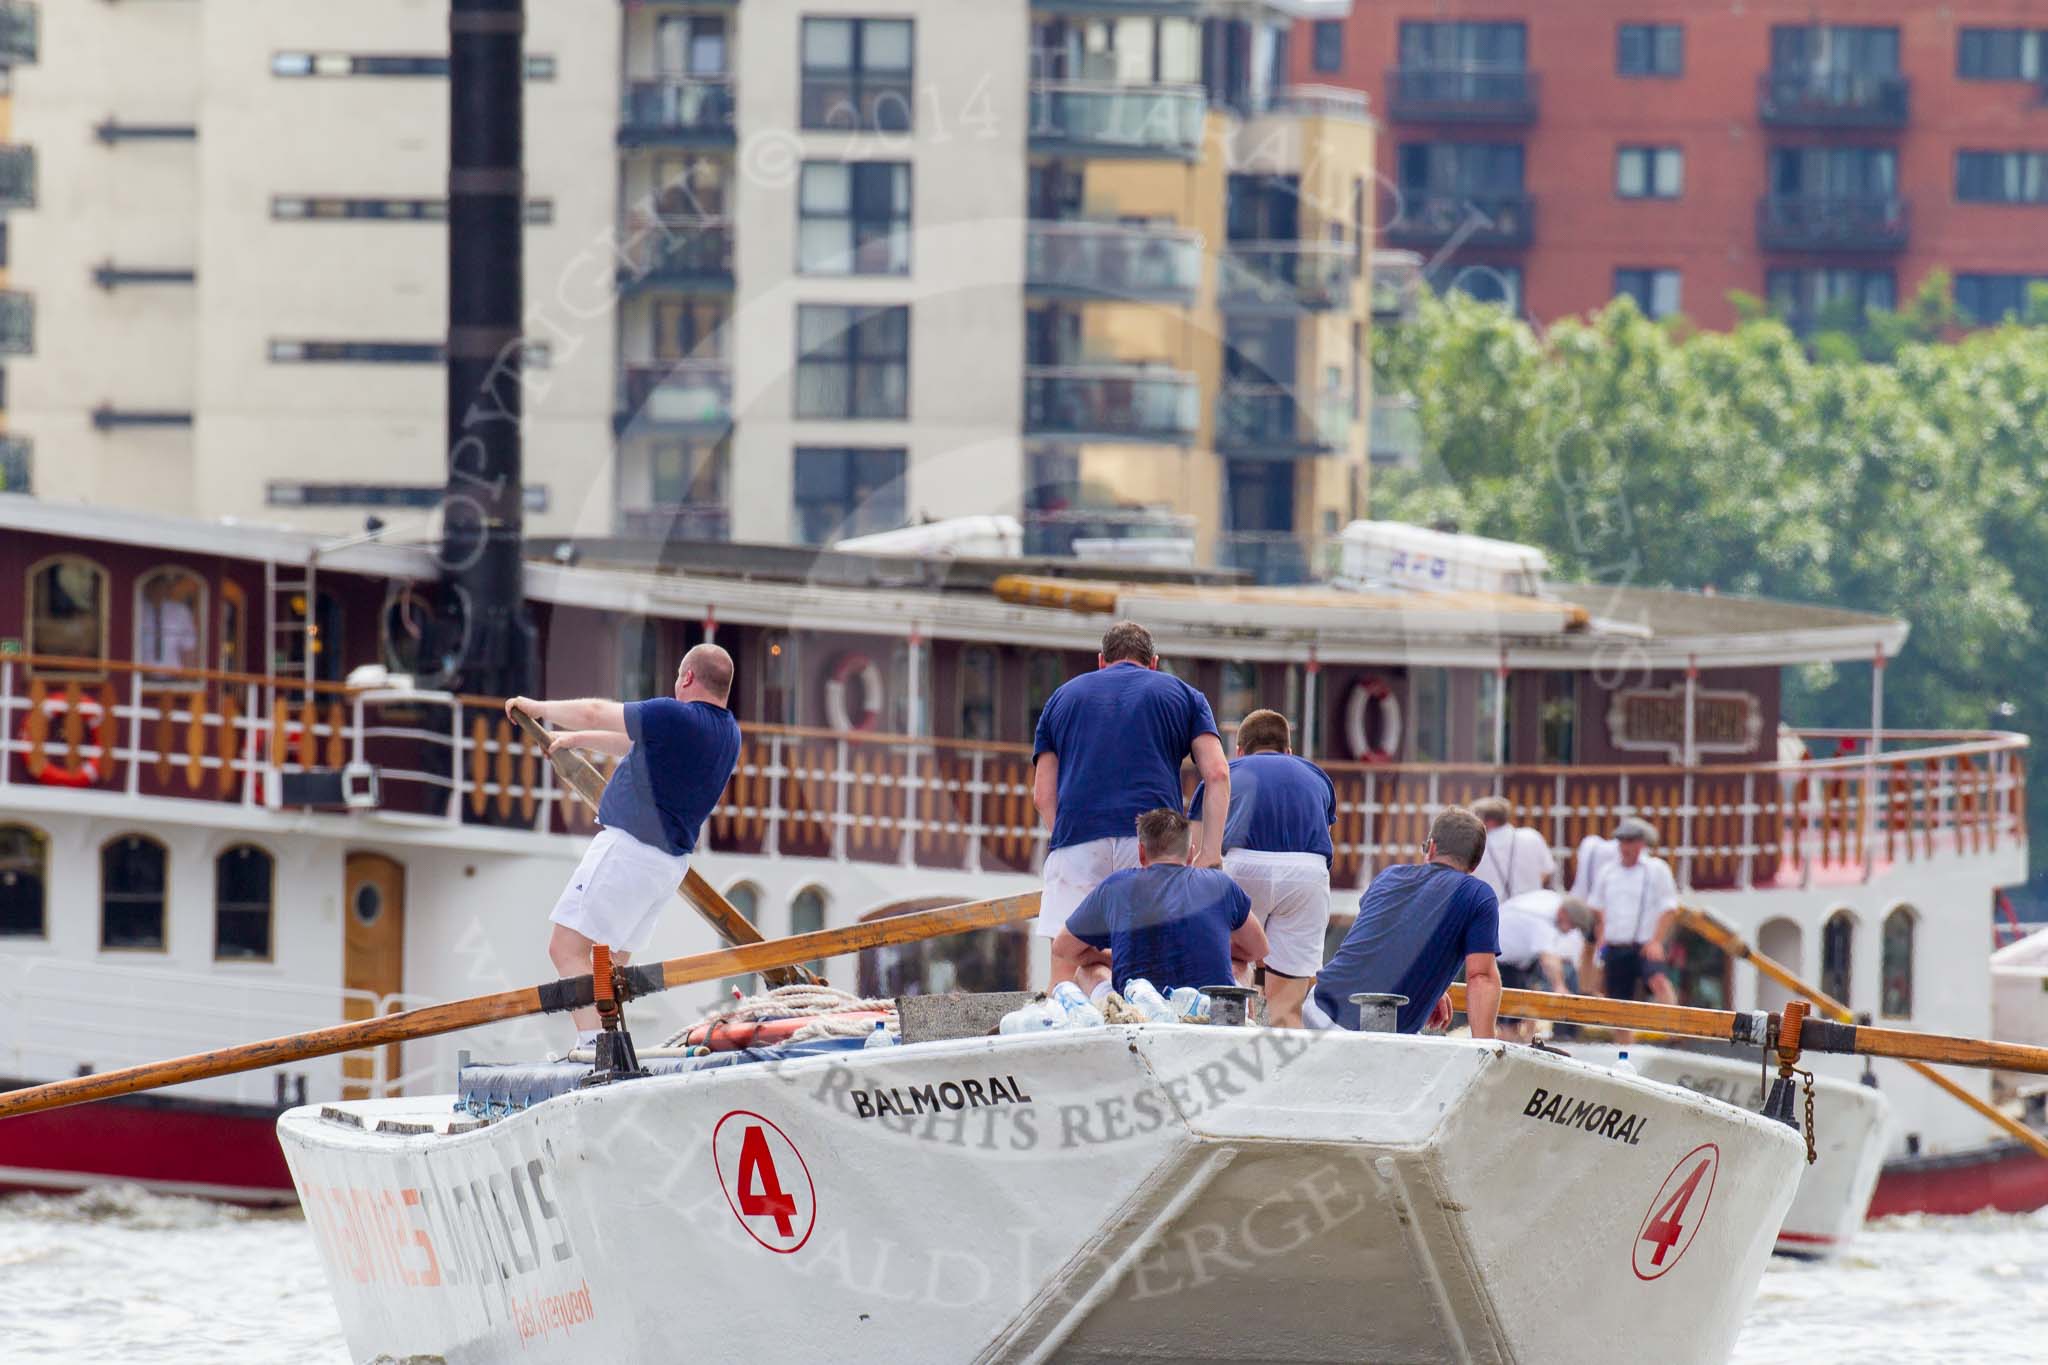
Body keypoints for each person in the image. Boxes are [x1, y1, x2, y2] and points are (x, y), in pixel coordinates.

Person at [507, 643, 741, 1046]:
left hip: (628, 851)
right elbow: (636, 744)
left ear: (686, 677)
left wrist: (537, 707)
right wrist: (578, 739)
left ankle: (595, 1050)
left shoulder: (675, 714)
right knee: (608, 966)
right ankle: (610, 1050)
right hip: (666, 868)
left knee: (567, 949)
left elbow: (597, 710)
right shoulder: (727, 733)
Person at [1031, 620, 1229, 947]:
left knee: (1069, 959)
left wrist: (1069, 837)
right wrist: (1210, 852)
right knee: (1146, 959)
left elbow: (1042, 795)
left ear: (1101, 661)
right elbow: (1218, 774)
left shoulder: (1061, 698)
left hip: (1079, 838)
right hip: (1154, 844)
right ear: (1154, 663)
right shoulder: (1186, 696)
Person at [1187, 708, 1334, 1027]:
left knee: (1235, 967)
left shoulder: (1229, 770)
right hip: (1307, 872)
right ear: (1289, 751)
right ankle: (1282, 1062)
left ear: (1239, 751)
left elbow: (1197, 852)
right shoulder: (1316, 776)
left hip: (1243, 864)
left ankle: (1237, 1022)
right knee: (1286, 1005)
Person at [1309, 808, 1502, 1039]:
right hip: (1374, 1036)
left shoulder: (1388, 876)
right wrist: (1486, 1051)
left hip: (1318, 1011)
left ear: (1430, 848)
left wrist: (1433, 987)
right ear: (1474, 865)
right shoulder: (1477, 895)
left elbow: (1381, 940)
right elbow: (1480, 977)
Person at [1050, 808, 1268, 999]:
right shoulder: (1221, 884)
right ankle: (1236, 1006)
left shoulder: (1115, 887)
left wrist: (1106, 956)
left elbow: (1062, 947)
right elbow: (1259, 949)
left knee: (1086, 971)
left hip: (1139, 1009)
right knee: (1242, 967)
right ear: (1190, 854)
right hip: (1208, 1009)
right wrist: (1212, 947)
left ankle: (1113, 1008)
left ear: (1141, 852)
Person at [1590, 816, 1680, 1043]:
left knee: (1658, 980)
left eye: (1630, 842)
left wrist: (1656, 940)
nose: (1625, 847)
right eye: (1622, 842)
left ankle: (1675, 1032)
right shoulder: (1608, 871)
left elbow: (1669, 908)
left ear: (1641, 844)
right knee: (1617, 1000)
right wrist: (1601, 938)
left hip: (1644, 942)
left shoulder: (1656, 869)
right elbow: (1599, 908)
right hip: (1615, 942)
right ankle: (1625, 1045)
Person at [1494, 890, 1599, 1042]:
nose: (1571, 930)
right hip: (1503, 961)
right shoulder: (1541, 920)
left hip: (1518, 959)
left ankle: (1527, 1037)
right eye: (1572, 925)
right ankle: (1508, 1042)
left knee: (1526, 1002)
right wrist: (1559, 987)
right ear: (1563, 914)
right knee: (1509, 1019)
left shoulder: (1552, 901)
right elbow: (1548, 959)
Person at [1470, 796, 1556, 904]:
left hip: (1495, 912)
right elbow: (1547, 871)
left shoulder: (1477, 845)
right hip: (1531, 909)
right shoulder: (1532, 836)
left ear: (1488, 821)